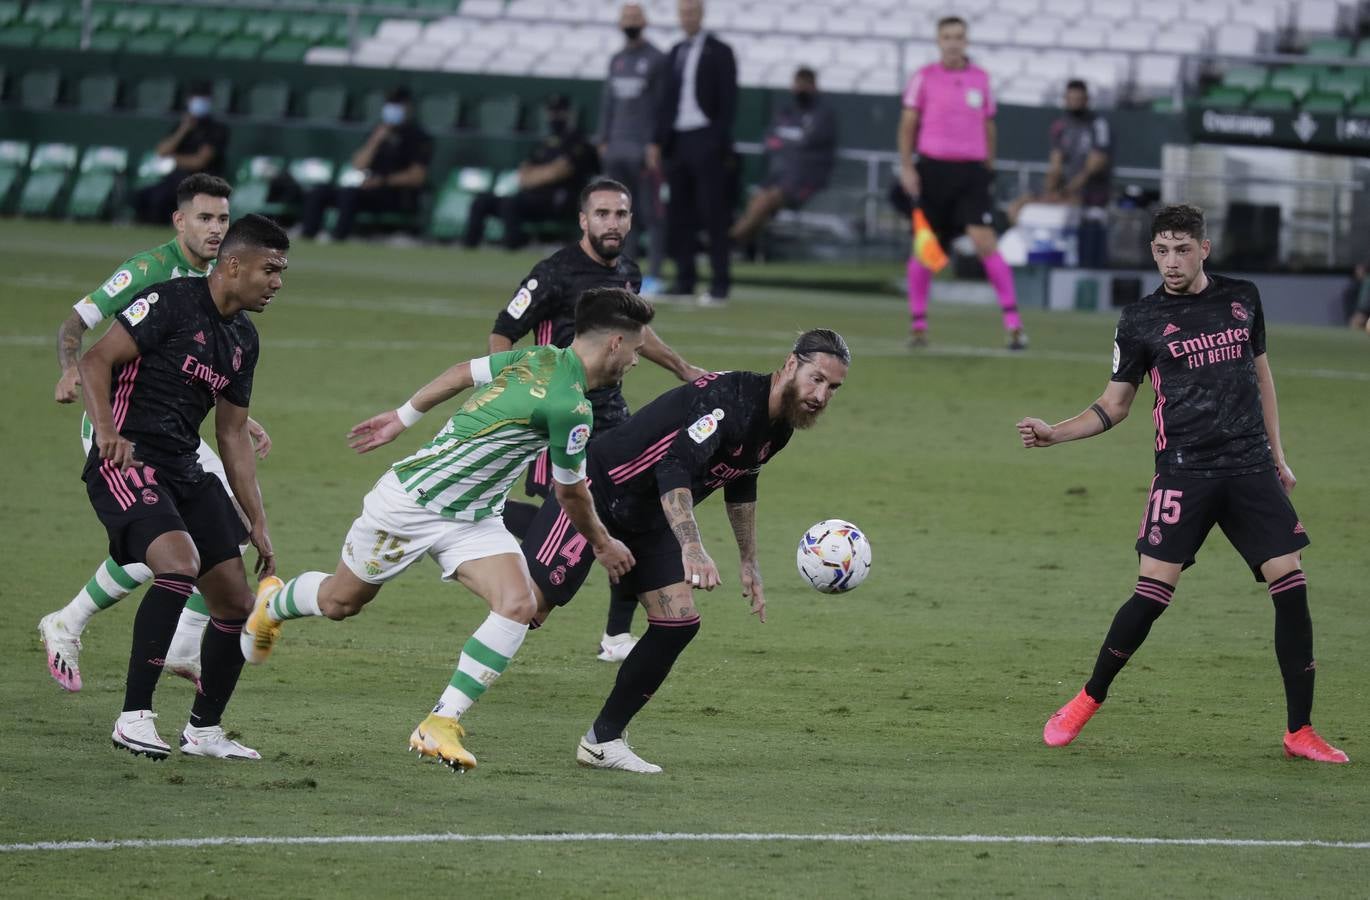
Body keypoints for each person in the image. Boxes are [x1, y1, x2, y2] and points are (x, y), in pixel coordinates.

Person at [241, 288, 653, 773]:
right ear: (615, 343)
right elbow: (571, 493)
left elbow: (464, 372)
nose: (636, 361)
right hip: (411, 506)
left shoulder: (543, 356)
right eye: (637, 350)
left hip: (473, 517)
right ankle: (273, 603)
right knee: (340, 603)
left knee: (518, 604)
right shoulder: (571, 407)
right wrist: (603, 544)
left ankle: (440, 722)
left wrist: (403, 416)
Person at [1016, 204, 1347, 764]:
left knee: (1291, 587)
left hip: (1248, 467)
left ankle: (1300, 731)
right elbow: (1114, 405)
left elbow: (1260, 376)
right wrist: (1057, 433)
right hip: (1183, 472)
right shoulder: (1140, 320)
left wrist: (1278, 457)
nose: (1172, 262)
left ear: (1204, 248)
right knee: (1151, 595)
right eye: (1162, 251)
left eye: (1183, 250)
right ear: (1152, 252)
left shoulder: (1242, 298)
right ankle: (1085, 699)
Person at [520, 329, 850, 773]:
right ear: (791, 364)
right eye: (816, 379)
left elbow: (742, 480)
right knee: (527, 610)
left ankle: (602, 741)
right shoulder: (730, 400)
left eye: (832, 388)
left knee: (677, 623)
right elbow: (673, 466)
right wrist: (692, 547)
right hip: (602, 494)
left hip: (650, 516)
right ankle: (470, 522)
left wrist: (748, 560)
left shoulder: (779, 426)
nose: (821, 395)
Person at [42, 173, 273, 694]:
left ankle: (182, 645)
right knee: (164, 548)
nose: (216, 229)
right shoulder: (147, 271)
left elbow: (196, 359)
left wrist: (237, 414)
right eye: (205, 218)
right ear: (180, 220)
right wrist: (68, 367)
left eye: (223, 219)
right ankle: (71, 622)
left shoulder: (224, 274)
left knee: (216, 533)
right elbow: (76, 322)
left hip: (174, 432)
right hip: (117, 429)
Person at [78, 214, 287, 761]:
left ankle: (203, 732)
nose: (277, 283)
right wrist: (106, 432)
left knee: (236, 602)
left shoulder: (243, 338)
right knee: (176, 563)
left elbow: (233, 432)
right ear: (233, 265)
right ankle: (134, 717)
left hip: (184, 465)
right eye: (270, 269)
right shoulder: (169, 301)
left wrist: (257, 519)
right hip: (127, 460)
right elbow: (96, 359)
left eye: (282, 272)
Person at [492, 178, 706, 661]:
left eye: (622, 214)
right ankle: (470, 519)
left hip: (611, 415)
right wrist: (510, 393)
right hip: (560, 416)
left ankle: (615, 636)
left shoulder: (628, 271)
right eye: (603, 214)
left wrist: (683, 369)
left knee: (628, 513)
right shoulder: (554, 273)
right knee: (572, 520)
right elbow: (503, 331)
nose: (613, 222)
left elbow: (639, 333)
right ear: (583, 220)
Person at [897, 16, 1025, 349]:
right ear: (939, 41)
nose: (953, 42)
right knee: (927, 249)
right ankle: (918, 325)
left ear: (966, 41)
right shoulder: (923, 77)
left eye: (958, 36)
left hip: (971, 173)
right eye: (947, 37)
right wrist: (908, 167)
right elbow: (908, 124)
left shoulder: (980, 79)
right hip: (933, 171)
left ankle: (1013, 324)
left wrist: (989, 165)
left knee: (985, 241)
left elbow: (989, 125)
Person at [649, 0, 738, 305]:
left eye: (691, 12)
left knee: (713, 213)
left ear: (701, 14)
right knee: (679, 213)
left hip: (706, 137)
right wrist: (658, 141)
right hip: (678, 139)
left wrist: (716, 139)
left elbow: (728, 101)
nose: (687, 17)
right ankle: (684, 280)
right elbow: (665, 102)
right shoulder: (674, 51)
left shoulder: (720, 52)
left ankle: (719, 284)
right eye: (683, 13)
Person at [463, 94, 598, 250]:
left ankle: (513, 247)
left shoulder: (577, 140)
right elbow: (524, 174)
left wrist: (536, 176)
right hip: (531, 196)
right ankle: (469, 247)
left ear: (569, 114)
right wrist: (541, 174)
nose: (554, 116)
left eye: (559, 112)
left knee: (510, 204)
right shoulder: (544, 141)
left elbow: (560, 171)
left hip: (557, 199)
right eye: (551, 112)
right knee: (481, 201)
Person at [299, 87, 432, 243]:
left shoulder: (419, 137)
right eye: (390, 104)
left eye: (398, 105)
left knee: (349, 194)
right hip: (369, 190)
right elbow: (358, 165)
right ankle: (307, 236)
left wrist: (382, 181)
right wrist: (375, 140)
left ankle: (338, 238)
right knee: (319, 191)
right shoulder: (377, 132)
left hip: (396, 195)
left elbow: (417, 177)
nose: (393, 109)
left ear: (408, 107)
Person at [597, 3, 667, 296]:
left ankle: (654, 273)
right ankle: (625, 272)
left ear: (645, 21)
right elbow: (609, 102)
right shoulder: (617, 60)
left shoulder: (656, 60)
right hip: (616, 148)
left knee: (650, 213)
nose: (630, 22)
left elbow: (661, 105)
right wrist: (603, 137)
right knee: (620, 215)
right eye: (626, 18)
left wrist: (654, 143)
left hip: (642, 149)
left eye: (635, 17)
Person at [1008, 80, 1112, 268]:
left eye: (1078, 99)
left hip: (1090, 192)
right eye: (1070, 98)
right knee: (1019, 206)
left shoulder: (1097, 124)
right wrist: (1051, 189)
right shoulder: (1061, 126)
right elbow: (1055, 163)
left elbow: (1096, 162)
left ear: (1086, 100)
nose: (1074, 102)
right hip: (1067, 188)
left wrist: (1070, 189)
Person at [729, 67, 838, 247]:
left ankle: (730, 241)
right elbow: (770, 140)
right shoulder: (787, 111)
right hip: (779, 175)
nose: (800, 89)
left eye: (805, 85)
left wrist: (787, 141)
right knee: (759, 199)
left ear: (814, 86)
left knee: (766, 200)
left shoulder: (822, 113)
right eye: (798, 84)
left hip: (805, 180)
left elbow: (808, 141)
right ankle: (740, 243)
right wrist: (793, 141)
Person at [134, 82, 230, 225]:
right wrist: (183, 129)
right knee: (146, 195)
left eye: (203, 98)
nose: (198, 102)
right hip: (176, 179)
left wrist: (172, 160)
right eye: (195, 97)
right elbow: (161, 151)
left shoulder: (217, 129)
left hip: (203, 180)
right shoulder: (182, 126)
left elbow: (200, 161)